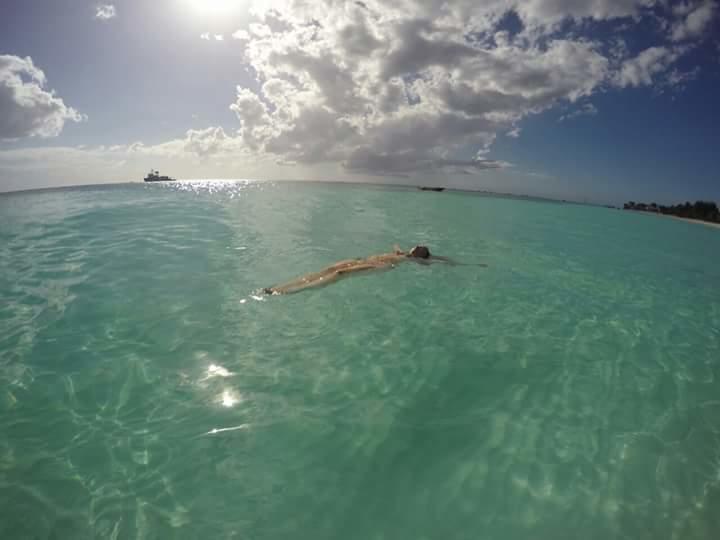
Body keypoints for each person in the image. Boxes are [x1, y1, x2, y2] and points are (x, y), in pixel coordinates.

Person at [262, 245, 481, 295]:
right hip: (365, 258)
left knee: (339, 275)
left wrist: (463, 264)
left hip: (381, 266)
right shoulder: (403, 251)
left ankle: (286, 293)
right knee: (331, 267)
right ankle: (281, 286)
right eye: (416, 246)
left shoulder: (416, 259)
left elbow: (438, 261)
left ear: (421, 255)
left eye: (419, 249)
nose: (415, 247)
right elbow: (397, 246)